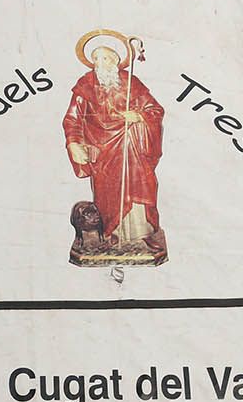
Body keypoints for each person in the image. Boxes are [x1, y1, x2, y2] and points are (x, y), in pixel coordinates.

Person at [62, 43, 167, 261]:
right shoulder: (86, 84)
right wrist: (73, 143)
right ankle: (112, 232)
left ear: (116, 61)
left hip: (133, 150)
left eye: (105, 58)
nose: (100, 63)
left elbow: (155, 110)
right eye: (96, 59)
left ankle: (142, 234)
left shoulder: (131, 83)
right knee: (107, 193)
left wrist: (139, 116)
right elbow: (73, 119)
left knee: (142, 185)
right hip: (104, 151)